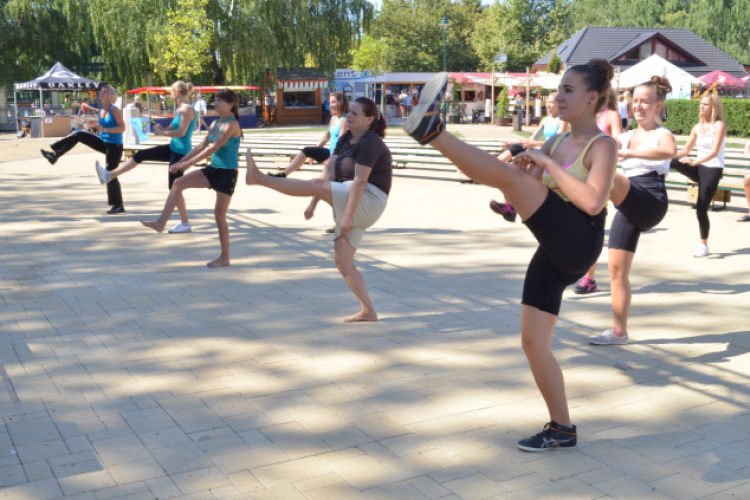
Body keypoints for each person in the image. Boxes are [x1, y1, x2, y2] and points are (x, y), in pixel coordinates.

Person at [404, 61, 618, 451]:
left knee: (513, 178)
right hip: (553, 246)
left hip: (579, 241)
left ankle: (433, 132)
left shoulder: (603, 145)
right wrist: (525, 173)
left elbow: (592, 202)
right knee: (533, 342)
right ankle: (562, 430)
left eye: (568, 90)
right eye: (559, 89)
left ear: (592, 98)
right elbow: (522, 203)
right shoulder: (554, 141)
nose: (559, 97)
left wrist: (543, 166)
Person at [245, 97, 391, 323]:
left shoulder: (371, 142)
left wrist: (349, 215)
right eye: (348, 112)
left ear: (369, 119)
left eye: (354, 113)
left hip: (369, 200)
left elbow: (361, 182)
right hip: (351, 197)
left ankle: (260, 179)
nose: (348, 116)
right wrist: (313, 203)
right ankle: (368, 311)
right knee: (342, 261)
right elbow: (328, 174)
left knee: (318, 185)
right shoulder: (345, 139)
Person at [588, 76, 677, 346]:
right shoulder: (624, 136)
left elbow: (670, 150)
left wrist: (632, 154)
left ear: (658, 105)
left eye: (645, 102)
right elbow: (596, 144)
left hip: (651, 198)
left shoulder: (662, 134)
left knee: (611, 178)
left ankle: (584, 210)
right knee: (615, 269)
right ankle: (619, 332)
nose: (638, 106)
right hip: (627, 203)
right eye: (634, 101)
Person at [140, 89, 242, 268]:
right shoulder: (215, 124)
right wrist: (180, 162)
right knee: (178, 183)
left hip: (227, 174)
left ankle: (225, 257)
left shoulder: (232, 125)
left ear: (230, 105)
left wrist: (187, 165)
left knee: (219, 216)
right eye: (215, 100)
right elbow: (199, 147)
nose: (215, 103)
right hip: (213, 169)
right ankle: (161, 223)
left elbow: (212, 149)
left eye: (218, 100)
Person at [95, 81, 198, 234]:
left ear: (176, 93)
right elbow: (173, 128)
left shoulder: (187, 110)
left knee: (174, 188)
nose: (168, 94)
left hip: (181, 153)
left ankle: (184, 223)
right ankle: (109, 175)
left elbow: (181, 132)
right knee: (141, 155)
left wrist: (163, 133)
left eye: (170, 91)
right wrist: (161, 128)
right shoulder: (179, 110)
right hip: (173, 148)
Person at [41, 85, 127, 214]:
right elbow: (102, 127)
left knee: (109, 173)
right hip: (103, 142)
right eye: (102, 91)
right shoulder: (101, 110)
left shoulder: (114, 110)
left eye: (105, 91)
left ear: (110, 96)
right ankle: (55, 154)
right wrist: (95, 128)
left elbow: (122, 127)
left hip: (114, 146)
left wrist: (105, 129)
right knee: (78, 134)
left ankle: (118, 205)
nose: (101, 92)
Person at [571, 89, 624, 294]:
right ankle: (574, 269)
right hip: (579, 173)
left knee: (591, 224)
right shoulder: (585, 115)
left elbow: (618, 140)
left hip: (599, 176)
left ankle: (589, 278)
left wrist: (601, 144)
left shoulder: (611, 115)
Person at [490, 93, 569, 222]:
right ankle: (496, 167)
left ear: (558, 104)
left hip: (554, 154)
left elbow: (558, 142)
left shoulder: (563, 121)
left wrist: (534, 144)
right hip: (542, 152)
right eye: (547, 102)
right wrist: (516, 143)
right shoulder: (545, 120)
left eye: (551, 103)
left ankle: (510, 205)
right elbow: (532, 139)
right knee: (517, 149)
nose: (548, 105)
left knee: (524, 176)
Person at [670, 94, 727, 257]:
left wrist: (694, 162)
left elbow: (714, 152)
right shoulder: (697, 127)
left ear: (713, 108)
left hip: (712, 169)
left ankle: (704, 245)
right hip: (698, 167)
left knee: (701, 208)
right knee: (672, 162)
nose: (701, 106)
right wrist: (669, 156)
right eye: (701, 103)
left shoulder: (719, 126)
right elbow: (685, 150)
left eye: (706, 104)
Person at [271, 92, 350, 179]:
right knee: (307, 150)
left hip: (338, 156)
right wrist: (314, 152)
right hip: (330, 153)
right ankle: (282, 175)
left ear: (342, 102)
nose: (331, 105)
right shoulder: (333, 119)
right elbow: (325, 138)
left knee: (323, 184)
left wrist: (331, 160)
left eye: (334, 102)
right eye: (330, 102)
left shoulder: (345, 120)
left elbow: (340, 143)